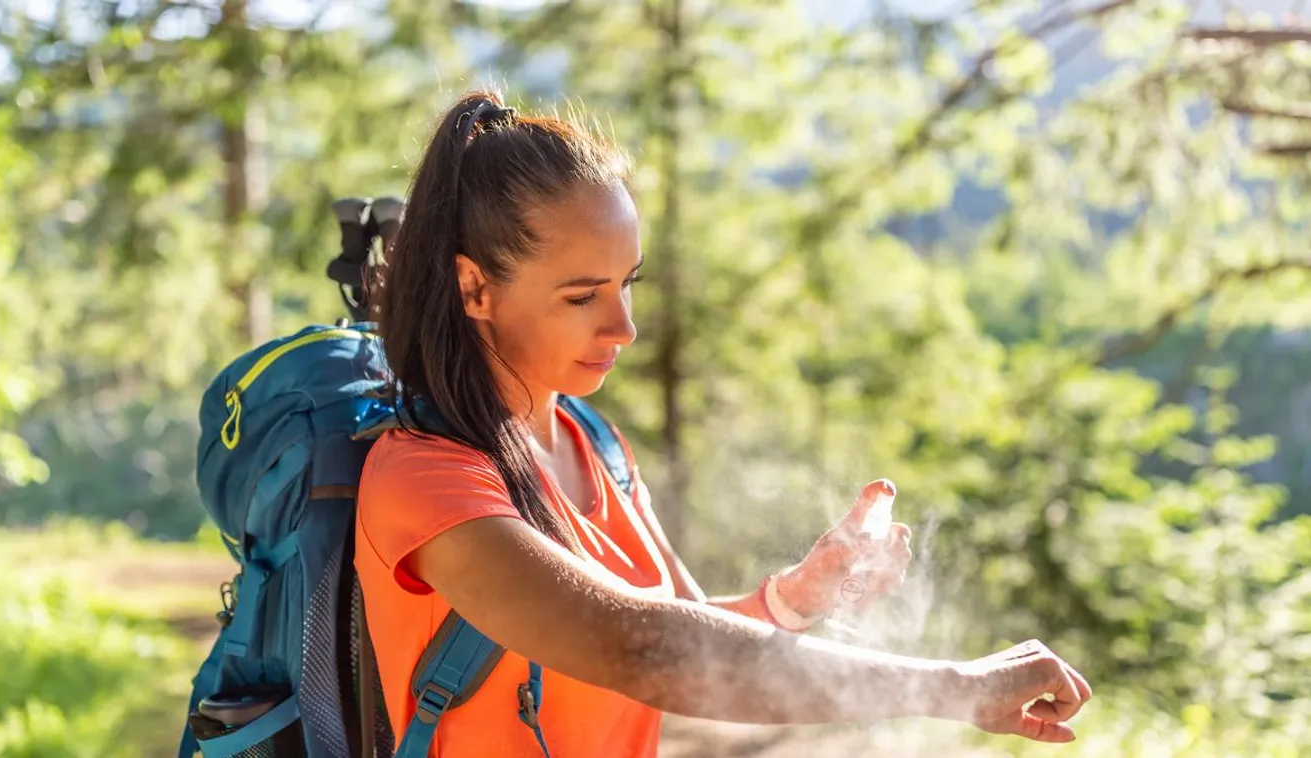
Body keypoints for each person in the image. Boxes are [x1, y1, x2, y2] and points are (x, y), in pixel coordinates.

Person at [353, 90, 1093, 758]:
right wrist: (952, 687)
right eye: (582, 297)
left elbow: (690, 635)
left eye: (627, 284)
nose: (624, 328)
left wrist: (793, 598)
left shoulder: (591, 441)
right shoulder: (425, 477)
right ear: (474, 288)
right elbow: (639, 649)